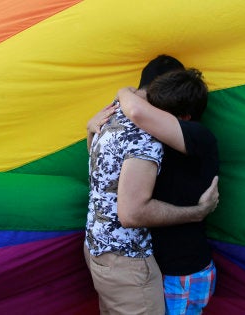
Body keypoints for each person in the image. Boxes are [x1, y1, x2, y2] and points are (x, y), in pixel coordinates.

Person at [85, 56, 219, 315]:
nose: (151, 118)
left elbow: (137, 111)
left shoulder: (200, 138)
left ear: (184, 117)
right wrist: (92, 130)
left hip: (183, 271)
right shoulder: (143, 137)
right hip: (152, 265)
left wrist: (124, 92)